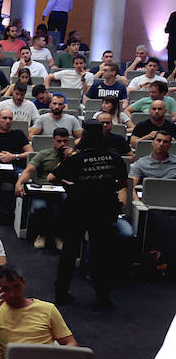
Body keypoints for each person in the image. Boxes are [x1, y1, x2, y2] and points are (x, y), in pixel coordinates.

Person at [51, 121, 129, 307]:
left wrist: (70, 183)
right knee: (101, 253)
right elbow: (122, 183)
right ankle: (103, 296)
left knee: (70, 252)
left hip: (78, 209)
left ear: (84, 136)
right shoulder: (114, 157)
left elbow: (53, 177)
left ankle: (61, 293)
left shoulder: (77, 158)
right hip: (104, 209)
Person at [0, 264, 78, 357]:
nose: (12, 294)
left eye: (16, 287)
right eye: (6, 289)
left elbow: (71, 342)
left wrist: (57, 358)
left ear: (24, 283)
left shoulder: (48, 309)